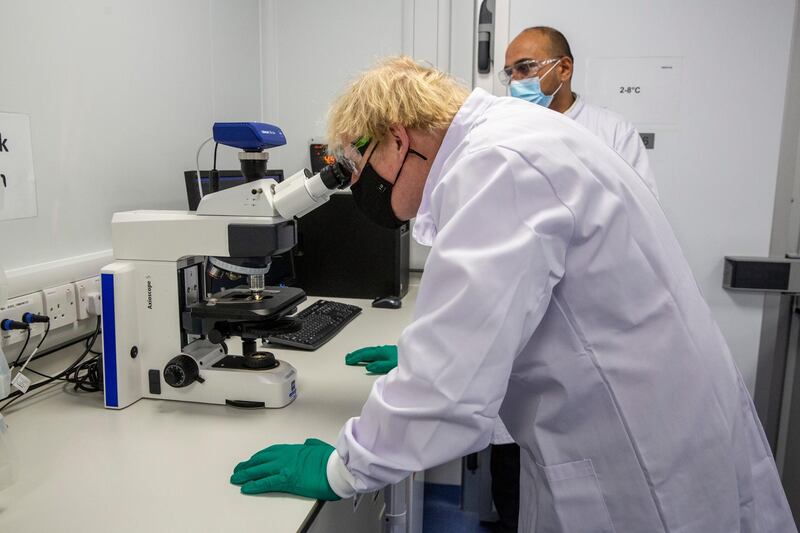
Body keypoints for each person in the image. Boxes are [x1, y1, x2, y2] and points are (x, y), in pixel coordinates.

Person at [230, 57, 796, 532]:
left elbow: (445, 391)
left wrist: (341, 468)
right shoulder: (515, 136)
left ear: (397, 137)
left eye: (358, 164)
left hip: (641, 469)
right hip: (664, 424)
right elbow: (522, 311)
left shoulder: (496, 166)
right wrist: (420, 356)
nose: (358, 184)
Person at [504, 26, 658, 198]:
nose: (515, 80)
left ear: (564, 68)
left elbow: (643, 207)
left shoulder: (613, 131)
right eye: (510, 72)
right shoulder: (506, 132)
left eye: (525, 68)